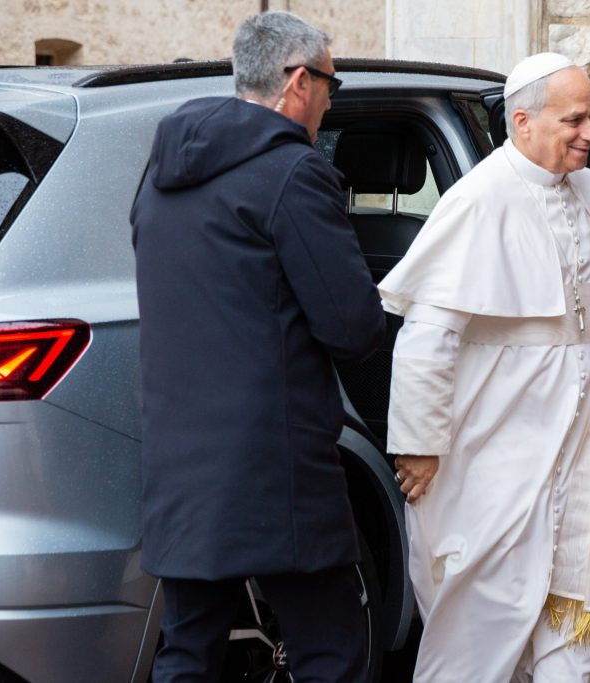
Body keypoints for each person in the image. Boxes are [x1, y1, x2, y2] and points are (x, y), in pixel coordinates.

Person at [379, 52, 590, 682]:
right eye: (575, 119)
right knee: (489, 602)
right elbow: (426, 339)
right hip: (500, 438)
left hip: (586, 436)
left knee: (578, 588)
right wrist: (419, 445)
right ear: (523, 122)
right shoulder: (478, 202)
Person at [130, 12, 384, 683]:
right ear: (300, 80)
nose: (332, 101)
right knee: (332, 650)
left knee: (187, 653)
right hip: (277, 471)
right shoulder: (294, 173)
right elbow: (353, 328)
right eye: (333, 83)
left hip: (182, 463)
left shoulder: (159, 172)